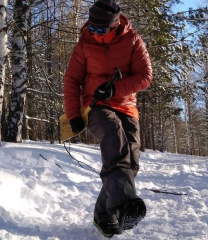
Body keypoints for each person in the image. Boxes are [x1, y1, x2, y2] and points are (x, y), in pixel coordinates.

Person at [63, 0, 152, 238]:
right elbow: (72, 80)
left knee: (130, 165)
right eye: (92, 28)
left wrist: (115, 89)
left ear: (115, 25)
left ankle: (104, 216)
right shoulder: (84, 44)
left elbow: (145, 76)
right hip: (96, 106)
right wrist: (73, 115)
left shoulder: (133, 40)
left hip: (126, 106)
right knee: (114, 137)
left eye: (101, 30)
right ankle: (123, 206)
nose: (95, 33)